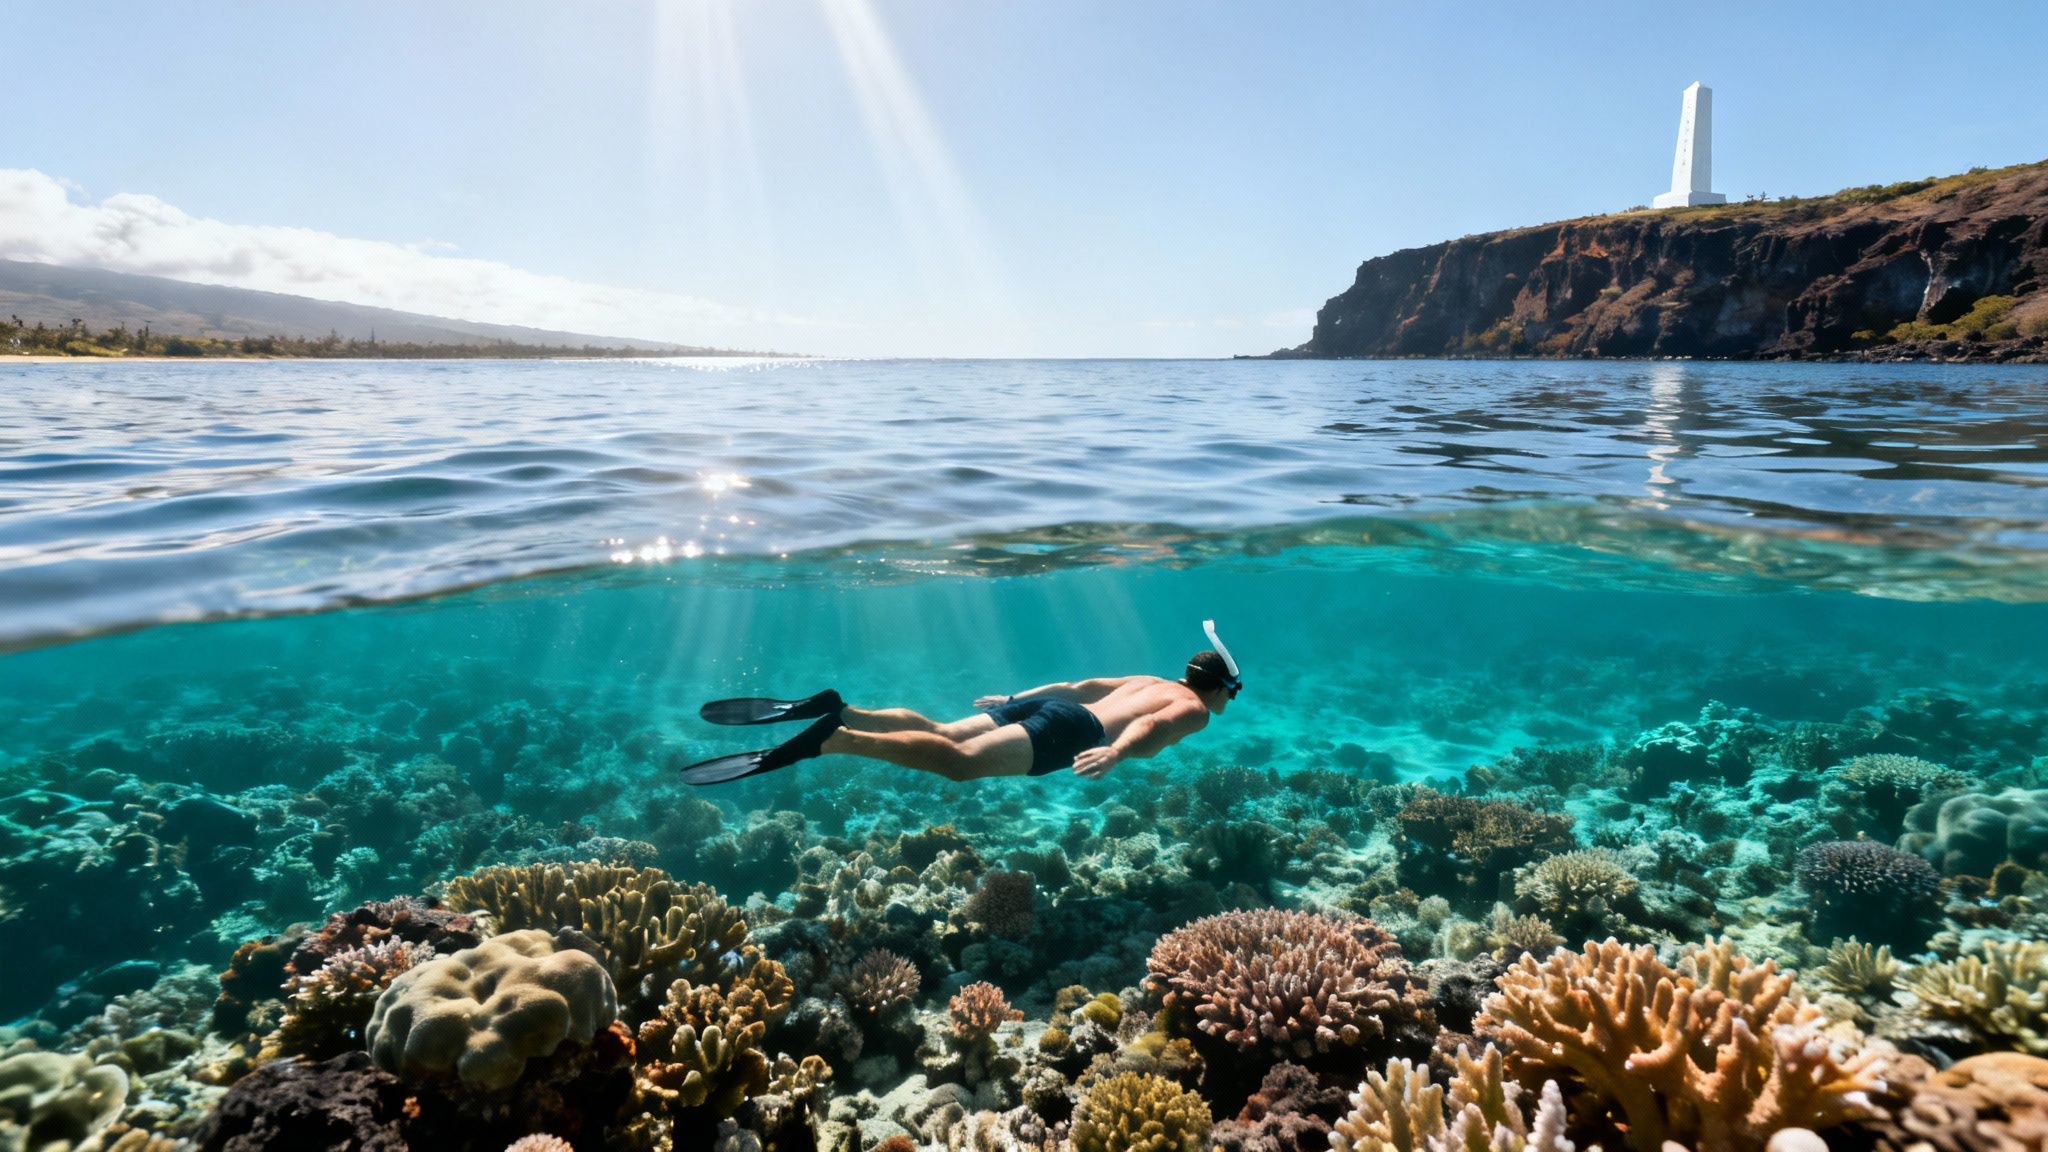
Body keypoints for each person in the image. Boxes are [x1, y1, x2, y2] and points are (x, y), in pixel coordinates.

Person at [680, 620, 1243, 785]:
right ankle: (836, 738)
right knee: (961, 765)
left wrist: (1016, 699)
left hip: (1051, 710)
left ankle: (843, 709)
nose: (1226, 702)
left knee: (941, 731)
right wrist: (1116, 753)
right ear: (1217, 686)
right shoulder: (1192, 707)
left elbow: (1076, 686)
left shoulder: (1147, 676)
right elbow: (1158, 724)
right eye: (1231, 693)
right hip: (1074, 733)